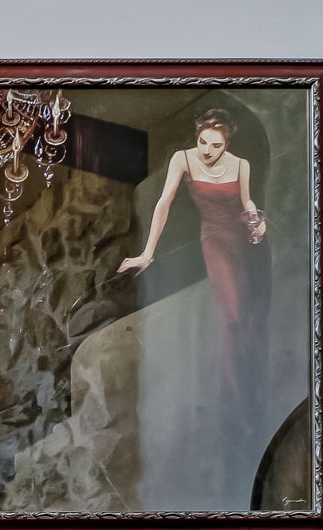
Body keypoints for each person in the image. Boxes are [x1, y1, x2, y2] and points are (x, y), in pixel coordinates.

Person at [116, 109, 270, 441]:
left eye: (215, 145)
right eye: (202, 142)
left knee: (248, 314)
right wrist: (147, 252)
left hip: (242, 240)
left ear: (226, 143)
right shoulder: (182, 160)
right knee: (231, 317)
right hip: (214, 240)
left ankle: (251, 386)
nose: (206, 150)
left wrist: (258, 223)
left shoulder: (241, 165)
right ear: (197, 136)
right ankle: (233, 405)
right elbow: (163, 203)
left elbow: (246, 202)